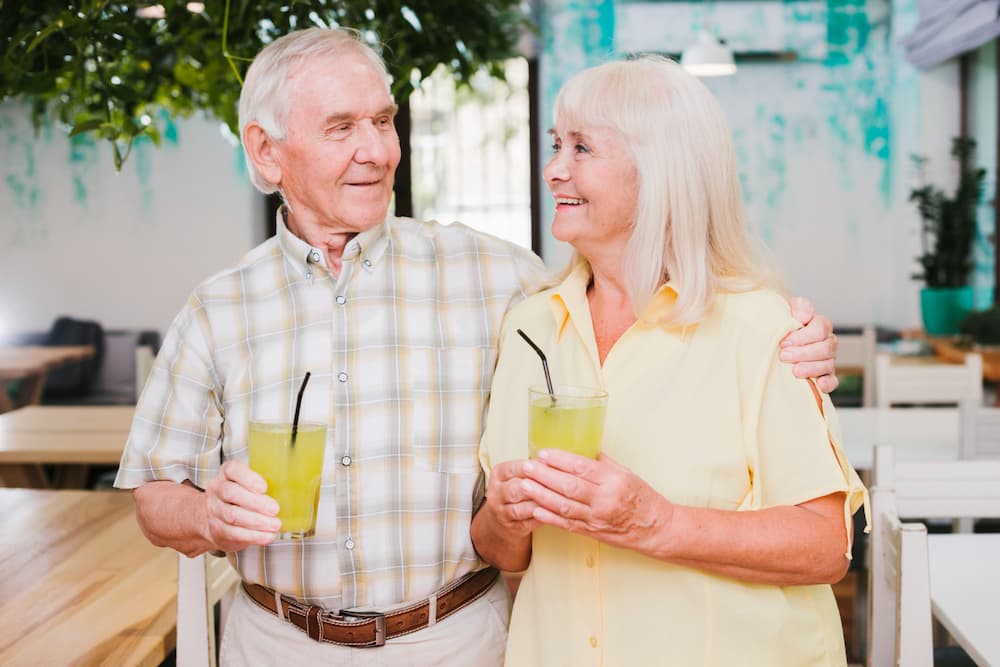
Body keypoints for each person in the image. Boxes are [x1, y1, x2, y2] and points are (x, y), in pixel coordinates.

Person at [115, 29, 840, 664]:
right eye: (342, 127)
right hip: (274, 642)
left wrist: (796, 331)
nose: (376, 149)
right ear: (266, 152)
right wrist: (208, 513)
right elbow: (154, 494)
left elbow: (644, 279)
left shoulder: (501, 279)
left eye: (384, 120)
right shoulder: (217, 308)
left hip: (458, 639)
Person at [470, 55, 869, 666]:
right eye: (556, 145)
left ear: (658, 172)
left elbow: (825, 546)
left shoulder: (760, 326)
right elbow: (506, 551)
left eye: (582, 148)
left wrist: (654, 522)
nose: (553, 170)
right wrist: (504, 516)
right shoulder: (530, 328)